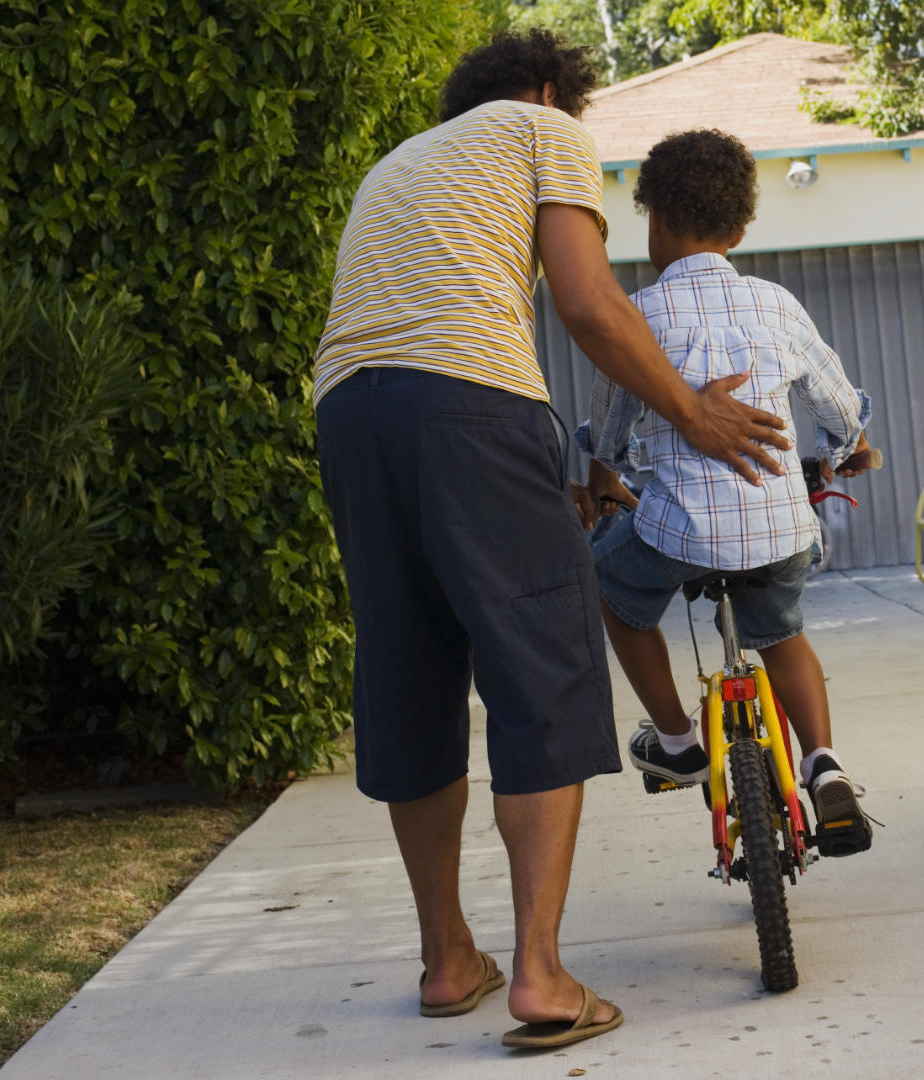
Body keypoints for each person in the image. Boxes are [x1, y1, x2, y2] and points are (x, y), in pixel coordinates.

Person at [311, 32, 792, 1050]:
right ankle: (540, 976)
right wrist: (692, 414)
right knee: (546, 670)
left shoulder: (396, 167)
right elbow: (587, 302)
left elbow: (418, 345)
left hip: (350, 417)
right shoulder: (539, 129)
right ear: (543, 91)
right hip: (471, 404)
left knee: (410, 672)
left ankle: (448, 959)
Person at [577, 128, 878, 857]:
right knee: (782, 630)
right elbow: (836, 402)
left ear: (651, 218)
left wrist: (604, 475)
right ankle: (823, 764)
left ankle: (679, 740)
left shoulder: (639, 314)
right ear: (741, 228)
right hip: (778, 533)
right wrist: (848, 448)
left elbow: (613, 427)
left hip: (675, 533)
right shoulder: (777, 305)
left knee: (610, 588)